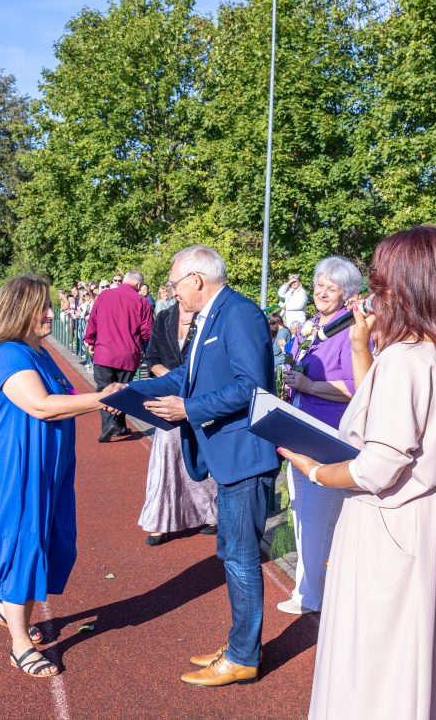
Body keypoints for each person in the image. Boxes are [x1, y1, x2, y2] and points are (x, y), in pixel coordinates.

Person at [278, 226, 436, 719]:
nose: (373, 297)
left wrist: (317, 471)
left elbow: (376, 465)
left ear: (404, 288)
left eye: (382, 285)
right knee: (419, 649)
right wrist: (362, 348)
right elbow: (383, 411)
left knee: (375, 658)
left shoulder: (407, 361)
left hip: (393, 521)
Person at [129, 245, 280, 687]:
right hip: (227, 458)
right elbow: (186, 376)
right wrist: (134, 392)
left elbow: (251, 386)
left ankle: (242, 656)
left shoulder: (239, 313)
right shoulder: (209, 316)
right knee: (231, 555)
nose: (175, 295)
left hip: (245, 458)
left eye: (176, 286)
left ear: (196, 279)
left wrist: (189, 409)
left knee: (241, 559)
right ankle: (239, 645)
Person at [0, 276, 122, 678]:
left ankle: (7, 606)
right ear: (20, 310)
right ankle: (19, 643)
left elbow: (66, 397)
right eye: (43, 308)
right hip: (17, 469)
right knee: (23, 544)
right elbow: (40, 405)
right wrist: (101, 398)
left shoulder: (38, 352)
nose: (51, 315)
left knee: (52, 540)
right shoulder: (7, 355)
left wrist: (105, 400)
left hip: (49, 467)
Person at [278, 256, 367, 616]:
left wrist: (311, 385)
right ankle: (312, 588)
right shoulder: (311, 327)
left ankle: (311, 595)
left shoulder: (352, 332)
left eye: (331, 288)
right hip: (300, 428)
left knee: (315, 517)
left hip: (327, 434)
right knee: (302, 514)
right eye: (318, 286)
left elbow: (359, 385)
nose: (322, 293)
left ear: (348, 294)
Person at [138, 300, 218, 545]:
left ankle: (210, 515)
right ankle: (159, 521)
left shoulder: (208, 318)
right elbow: (152, 357)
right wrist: (170, 376)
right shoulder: (164, 317)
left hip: (200, 398)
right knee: (166, 457)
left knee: (202, 455)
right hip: (168, 395)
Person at [83, 270, 153, 442]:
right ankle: (119, 425)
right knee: (122, 389)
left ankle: (110, 425)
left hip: (105, 351)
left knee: (104, 389)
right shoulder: (141, 302)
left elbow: (93, 320)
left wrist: (90, 340)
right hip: (128, 353)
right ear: (138, 284)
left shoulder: (104, 296)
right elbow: (147, 332)